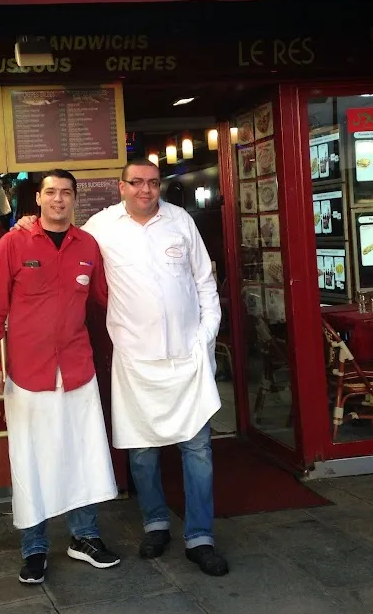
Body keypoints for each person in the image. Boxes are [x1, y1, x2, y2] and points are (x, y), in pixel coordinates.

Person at [14, 158, 228, 576]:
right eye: (136, 183)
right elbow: (61, 236)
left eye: (152, 183)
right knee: (143, 451)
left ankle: (200, 536)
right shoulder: (100, 228)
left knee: (198, 448)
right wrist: (28, 224)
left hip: (187, 358)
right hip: (135, 359)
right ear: (121, 187)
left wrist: (204, 338)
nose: (145, 190)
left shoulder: (181, 221)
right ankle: (156, 523)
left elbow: (205, 281)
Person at [0, 169, 120, 585]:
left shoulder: (89, 245)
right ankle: (34, 548)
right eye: (51, 193)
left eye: (66, 193)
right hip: (26, 374)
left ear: (75, 199)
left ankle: (85, 537)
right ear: (38, 199)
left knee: (84, 454)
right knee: (30, 460)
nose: (59, 200)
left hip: (77, 368)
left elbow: (106, 300)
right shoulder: (14, 242)